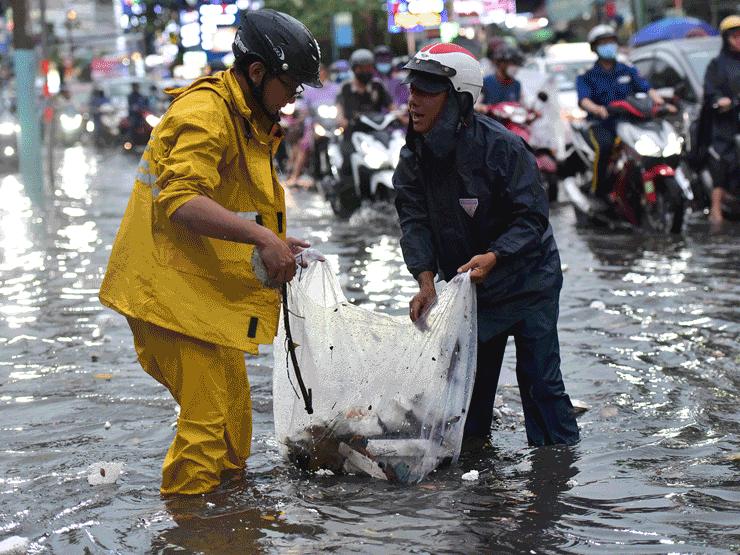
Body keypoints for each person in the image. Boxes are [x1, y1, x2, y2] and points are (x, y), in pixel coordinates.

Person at [99, 9, 322, 496]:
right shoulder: (206, 113)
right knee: (206, 425)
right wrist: (265, 240)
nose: (291, 102)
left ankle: (231, 523)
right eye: (291, 86)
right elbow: (181, 200)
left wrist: (274, 239)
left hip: (199, 294)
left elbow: (231, 206)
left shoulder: (243, 115)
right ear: (258, 73)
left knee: (234, 424)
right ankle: (189, 532)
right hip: (167, 295)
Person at [393, 43, 580, 447]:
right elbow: (414, 221)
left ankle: (557, 479)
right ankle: (478, 490)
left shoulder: (504, 148)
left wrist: (496, 255)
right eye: (412, 91)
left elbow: (532, 217)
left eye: (426, 92)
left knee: (542, 386)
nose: (413, 102)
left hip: (529, 282)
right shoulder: (413, 158)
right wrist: (425, 281)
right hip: (474, 293)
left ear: (458, 99)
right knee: (468, 400)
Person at [576, 24, 666, 201]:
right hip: (601, 124)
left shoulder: (627, 69)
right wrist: (597, 109)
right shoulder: (587, 74)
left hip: (629, 122)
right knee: (605, 147)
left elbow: (647, 88)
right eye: (603, 43)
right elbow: (583, 100)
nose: (608, 46)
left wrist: (660, 102)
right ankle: (598, 192)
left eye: (611, 41)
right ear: (595, 47)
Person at [336, 48, 393, 186]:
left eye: (369, 68)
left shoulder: (377, 85)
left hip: (377, 132)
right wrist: (342, 121)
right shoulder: (346, 88)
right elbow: (339, 112)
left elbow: (392, 107)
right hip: (353, 133)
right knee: (348, 160)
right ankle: (350, 199)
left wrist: (403, 117)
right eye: (363, 68)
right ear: (355, 69)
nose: (366, 71)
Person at [704, 15, 740, 225]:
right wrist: (720, 100)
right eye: (735, 36)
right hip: (726, 123)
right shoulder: (717, 65)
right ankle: (716, 209)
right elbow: (710, 92)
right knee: (723, 159)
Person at [285, 63, 341, 187]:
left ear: (326, 72)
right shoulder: (309, 90)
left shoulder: (336, 88)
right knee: (305, 145)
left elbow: (340, 105)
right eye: (317, 71)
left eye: (321, 71)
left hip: (333, 123)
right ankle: (295, 175)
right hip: (314, 123)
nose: (320, 73)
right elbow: (305, 109)